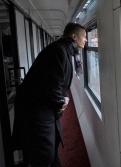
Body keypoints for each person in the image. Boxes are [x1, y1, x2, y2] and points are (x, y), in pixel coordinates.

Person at [12, 22, 87, 167]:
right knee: (43, 150)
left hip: (44, 104)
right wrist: (61, 101)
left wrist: (63, 96)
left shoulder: (63, 49)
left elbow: (57, 81)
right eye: (83, 36)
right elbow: (51, 86)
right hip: (36, 108)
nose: (86, 40)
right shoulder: (58, 51)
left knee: (52, 143)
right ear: (73, 36)